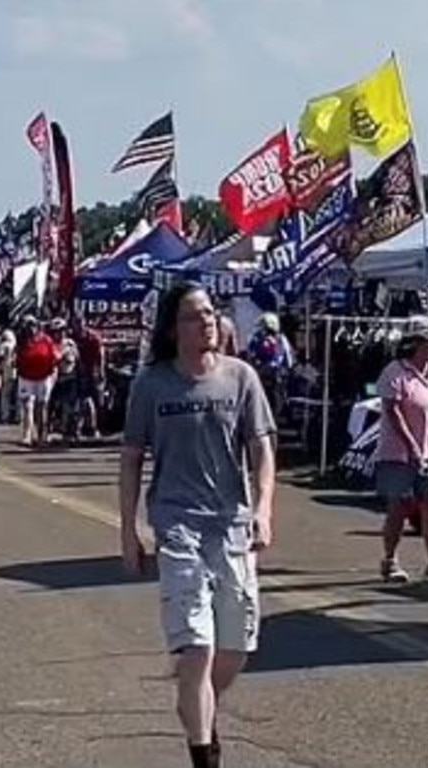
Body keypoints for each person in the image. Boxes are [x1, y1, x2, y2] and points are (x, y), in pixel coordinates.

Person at [119, 282, 276, 768]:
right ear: (173, 328)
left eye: (210, 312)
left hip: (231, 527)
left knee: (233, 651)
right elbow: (130, 459)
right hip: (178, 526)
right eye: (193, 315)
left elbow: (262, 448)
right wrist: (130, 530)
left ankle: (200, 709)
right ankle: (203, 752)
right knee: (197, 650)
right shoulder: (152, 384)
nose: (207, 321)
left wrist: (264, 508)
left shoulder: (241, 377)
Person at [374, 316, 428, 584]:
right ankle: (390, 559)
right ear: (415, 342)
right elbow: (393, 412)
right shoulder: (394, 372)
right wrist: (411, 446)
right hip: (400, 453)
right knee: (401, 505)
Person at [16, 316, 59, 447]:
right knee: (28, 407)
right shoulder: (22, 340)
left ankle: (42, 436)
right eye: (28, 325)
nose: (31, 328)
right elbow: (16, 357)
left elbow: (55, 356)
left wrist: (53, 369)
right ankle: (27, 435)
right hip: (26, 377)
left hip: (43, 377)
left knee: (41, 408)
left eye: (33, 325)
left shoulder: (46, 340)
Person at [74, 315, 105, 439]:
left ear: (84, 323)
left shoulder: (93, 336)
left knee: (95, 401)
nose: (78, 325)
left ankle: (94, 428)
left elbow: (101, 355)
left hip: (93, 371)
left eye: (80, 322)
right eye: (76, 323)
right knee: (81, 400)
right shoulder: (73, 337)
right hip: (78, 372)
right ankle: (80, 428)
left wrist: (101, 371)